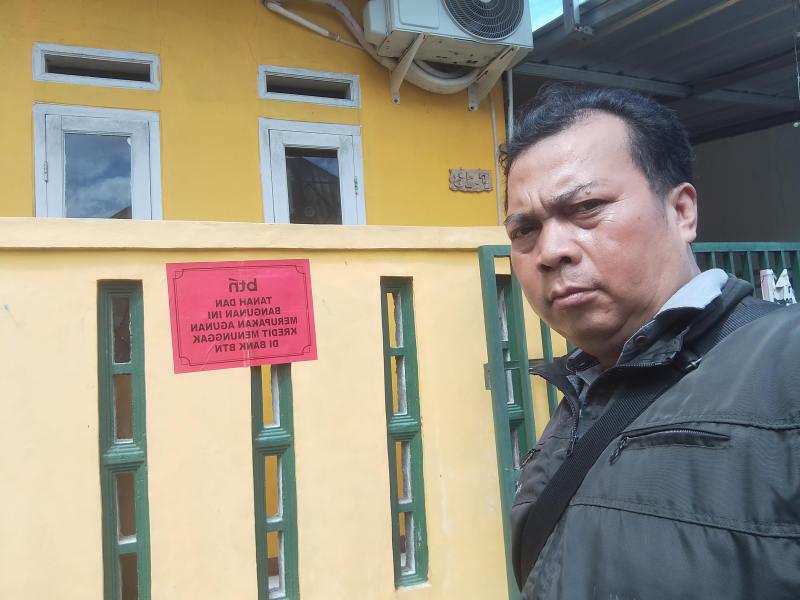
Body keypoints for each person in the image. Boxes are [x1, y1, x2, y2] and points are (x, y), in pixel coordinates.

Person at [501, 86, 800, 600]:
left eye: (587, 207)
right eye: (524, 230)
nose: (549, 251)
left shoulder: (786, 361)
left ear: (681, 211)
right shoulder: (582, 394)